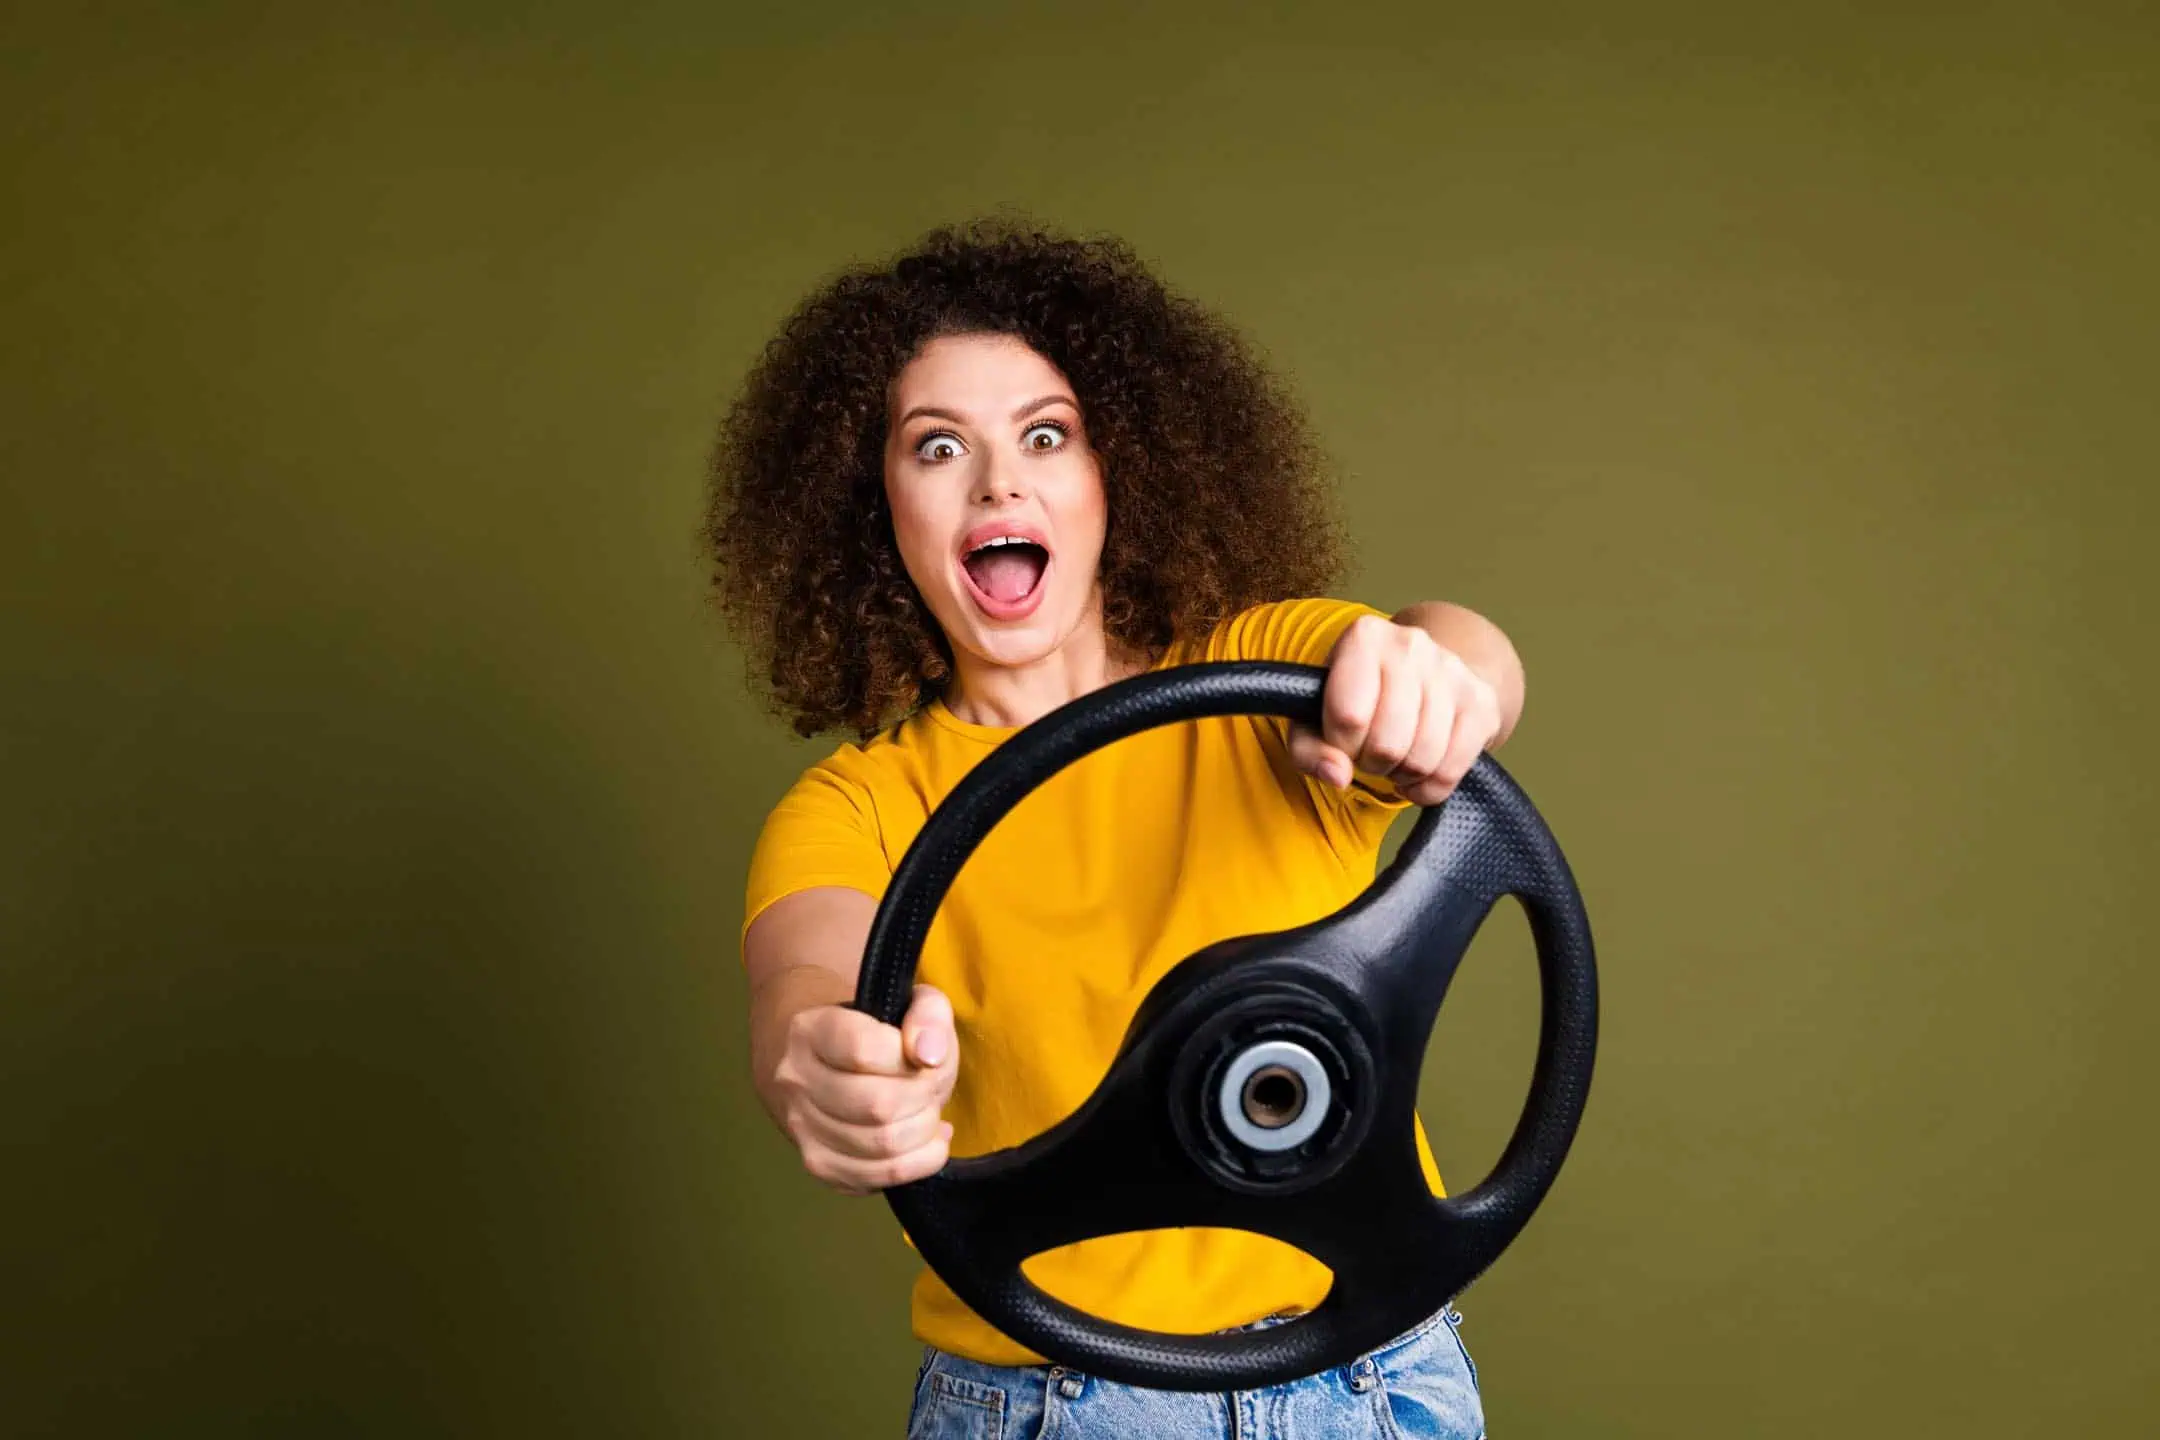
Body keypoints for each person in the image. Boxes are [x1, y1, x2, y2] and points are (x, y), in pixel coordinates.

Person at [704, 219, 1523, 1439]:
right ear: (872, 508)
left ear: (1116, 473)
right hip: (1056, 1404)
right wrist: (818, 1060)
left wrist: (1439, 677)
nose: (1000, 484)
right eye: (938, 448)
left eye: (1047, 435)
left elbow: (1444, 648)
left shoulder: (1256, 684)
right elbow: (805, 980)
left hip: (1382, 1383)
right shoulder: (860, 806)